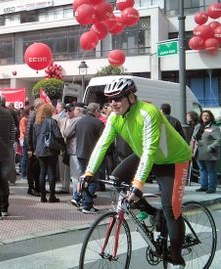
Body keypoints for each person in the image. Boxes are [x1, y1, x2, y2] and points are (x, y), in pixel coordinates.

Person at [81, 78, 191, 267]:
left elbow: (149, 149)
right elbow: (102, 144)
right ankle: (151, 212)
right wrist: (88, 173)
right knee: (115, 178)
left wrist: (138, 184)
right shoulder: (115, 117)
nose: (112, 104)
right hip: (146, 155)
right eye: (109, 100)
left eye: (117, 99)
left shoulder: (148, 112)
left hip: (173, 159)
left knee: (171, 209)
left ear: (131, 97)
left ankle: (176, 256)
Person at [75, 103, 104, 213]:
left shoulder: (79, 121)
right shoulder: (98, 123)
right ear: (96, 110)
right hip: (93, 155)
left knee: (83, 178)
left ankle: (81, 200)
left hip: (80, 153)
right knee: (93, 181)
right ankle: (87, 205)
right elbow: (104, 140)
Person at [32, 103, 63, 203]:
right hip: (51, 150)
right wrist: (62, 145)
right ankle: (52, 196)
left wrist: (35, 149)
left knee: (42, 172)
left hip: (40, 150)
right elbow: (58, 135)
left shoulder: (37, 122)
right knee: (51, 173)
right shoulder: (52, 121)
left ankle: (43, 197)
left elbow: (34, 138)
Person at [192, 110, 221, 194]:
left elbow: (219, 139)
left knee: (211, 170)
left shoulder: (214, 127)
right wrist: (192, 149)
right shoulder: (198, 126)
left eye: (207, 115)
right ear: (201, 117)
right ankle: (203, 186)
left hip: (209, 153)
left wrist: (210, 147)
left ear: (210, 117)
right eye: (203, 115)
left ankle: (212, 188)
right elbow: (193, 138)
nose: (205, 117)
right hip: (199, 152)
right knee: (202, 169)